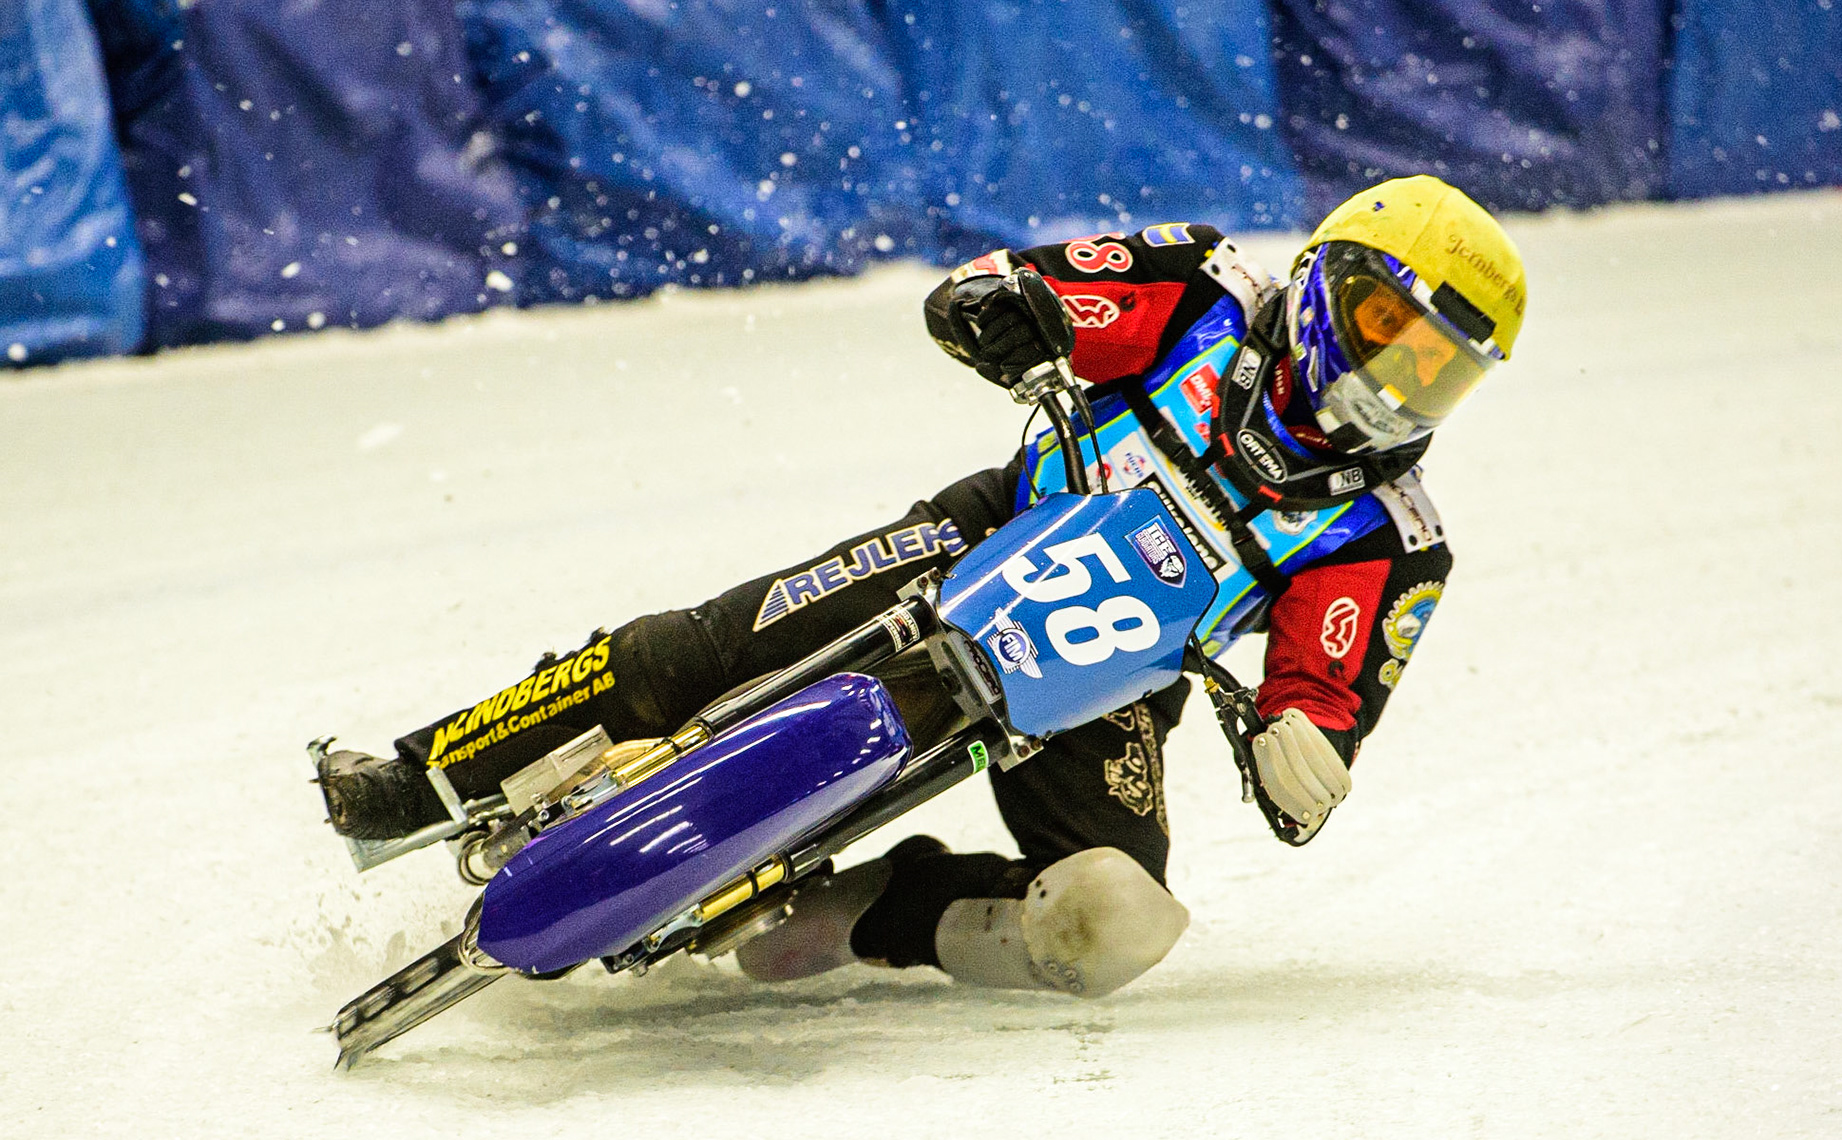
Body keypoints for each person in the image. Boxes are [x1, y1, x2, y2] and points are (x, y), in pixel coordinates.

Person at [315, 174, 1526, 1000]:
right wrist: (1008, 313)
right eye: (1382, 327)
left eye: (1438, 371)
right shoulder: (1207, 288)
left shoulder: (1393, 538)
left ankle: (868, 916)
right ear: (1326, 282)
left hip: (1114, 680)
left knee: (1117, 923)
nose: (1391, 381)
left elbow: (1327, 684)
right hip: (981, 537)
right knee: (698, 645)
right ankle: (423, 775)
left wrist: (1300, 745)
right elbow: (1012, 284)